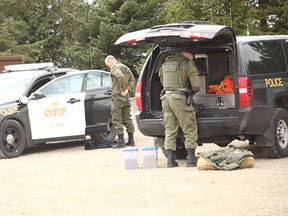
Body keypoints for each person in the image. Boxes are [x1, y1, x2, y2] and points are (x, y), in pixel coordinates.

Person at [159, 51, 200, 168]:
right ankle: (191, 159)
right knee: (189, 126)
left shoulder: (165, 63)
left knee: (170, 129)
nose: (192, 57)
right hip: (179, 98)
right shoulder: (186, 63)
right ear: (186, 53)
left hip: (166, 98)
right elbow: (196, 85)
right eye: (191, 55)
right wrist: (191, 92)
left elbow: (162, 81)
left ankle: (170, 160)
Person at [105, 55, 136, 148]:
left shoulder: (114, 67)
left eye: (107, 65)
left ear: (110, 61)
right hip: (126, 97)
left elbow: (120, 76)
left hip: (118, 96)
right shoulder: (125, 67)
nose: (108, 67)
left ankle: (121, 142)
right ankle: (131, 141)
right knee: (127, 118)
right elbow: (132, 79)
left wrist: (123, 89)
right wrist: (128, 90)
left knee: (116, 118)